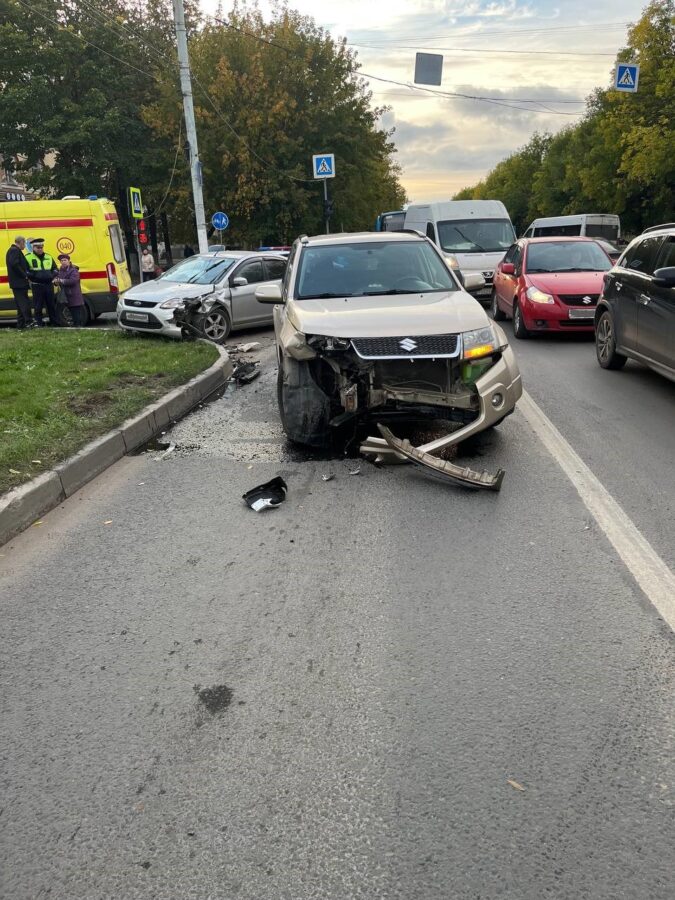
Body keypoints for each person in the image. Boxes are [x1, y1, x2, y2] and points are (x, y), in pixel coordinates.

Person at [25, 238, 59, 326]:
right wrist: (35, 276)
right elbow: (26, 271)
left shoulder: (48, 256)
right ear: (33, 248)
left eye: (41, 247)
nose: (40, 249)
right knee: (38, 306)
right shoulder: (28, 257)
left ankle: (54, 323)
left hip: (48, 285)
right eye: (38, 247)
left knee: (51, 305)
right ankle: (39, 324)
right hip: (37, 285)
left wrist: (51, 276)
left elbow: (55, 269)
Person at [5, 235, 36, 329]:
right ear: (21, 242)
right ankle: (29, 322)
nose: (25, 246)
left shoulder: (14, 250)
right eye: (24, 243)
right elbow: (15, 264)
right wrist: (25, 275)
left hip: (17, 283)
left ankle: (21, 324)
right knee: (24, 303)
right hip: (19, 282)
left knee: (19, 304)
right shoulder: (14, 250)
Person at [53, 254, 86, 326]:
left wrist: (61, 281)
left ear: (69, 261)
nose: (63, 262)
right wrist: (55, 282)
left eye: (65, 260)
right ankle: (74, 326)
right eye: (61, 260)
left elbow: (73, 281)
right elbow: (57, 279)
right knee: (69, 313)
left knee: (76, 313)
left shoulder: (73, 270)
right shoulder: (60, 270)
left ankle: (79, 327)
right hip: (66, 296)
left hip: (74, 295)